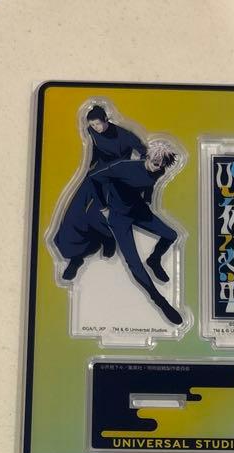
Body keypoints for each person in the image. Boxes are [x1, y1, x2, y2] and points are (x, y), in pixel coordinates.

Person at [90, 140, 183, 325]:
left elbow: (150, 183)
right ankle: (160, 301)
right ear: (148, 157)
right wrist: (103, 207)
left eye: (162, 165)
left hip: (139, 210)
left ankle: (154, 260)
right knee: (134, 264)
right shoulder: (123, 168)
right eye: (156, 163)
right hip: (119, 217)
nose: (158, 168)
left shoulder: (160, 170)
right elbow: (94, 179)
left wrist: (147, 199)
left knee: (172, 235)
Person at [53, 104, 145, 279]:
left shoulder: (125, 136)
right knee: (75, 212)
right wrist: (89, 169)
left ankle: (108, 238)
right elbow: (93, 152)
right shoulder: (92, 131)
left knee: (101, 212)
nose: (95, 128)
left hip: (117, 178)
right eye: (93, 125)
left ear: (106, 120)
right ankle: (75, 259)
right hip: (95, 175)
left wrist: (134, 175)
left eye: (98, 124)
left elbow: (144, 153)